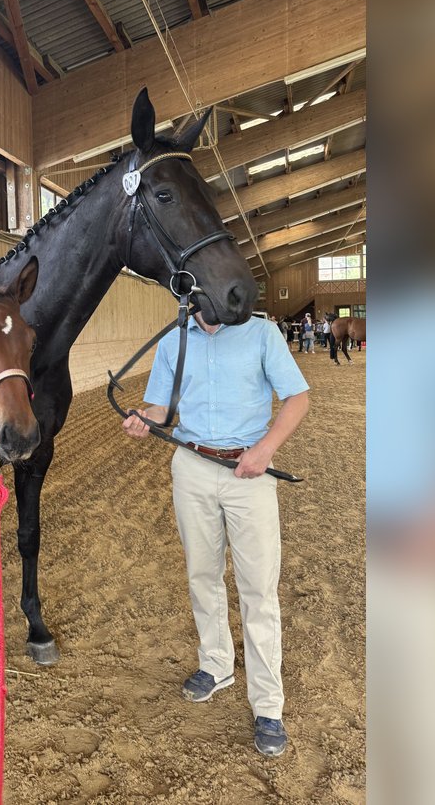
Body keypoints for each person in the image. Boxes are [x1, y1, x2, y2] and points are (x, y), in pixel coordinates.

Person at [121, 311, 310, 757]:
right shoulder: (173, 342)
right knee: (202, 575)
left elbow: (297, 397)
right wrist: (144, 419)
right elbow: (163, 408)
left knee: (258, 589)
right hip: (191, 466)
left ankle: (268, 704)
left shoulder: (261, 334)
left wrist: (265, 450)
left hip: (249, 469)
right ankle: (217, 665)